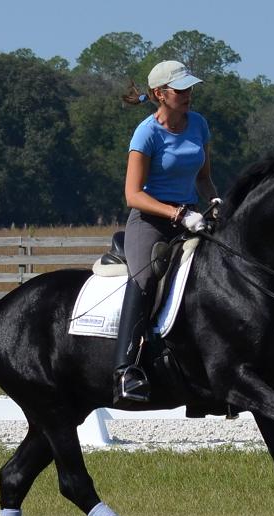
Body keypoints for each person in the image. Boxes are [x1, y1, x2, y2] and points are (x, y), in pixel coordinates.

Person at [113, 59, 221, 405]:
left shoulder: (199, 125)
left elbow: (203, 178)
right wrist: (176, 214)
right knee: (145, 279)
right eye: (181, 89)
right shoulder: (147, 132)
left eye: (190, 88)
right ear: (160, 94)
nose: (188, 94)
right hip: (150, 220)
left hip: (191, 216)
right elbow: (133, 194)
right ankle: (125, 369)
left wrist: (215, 200)